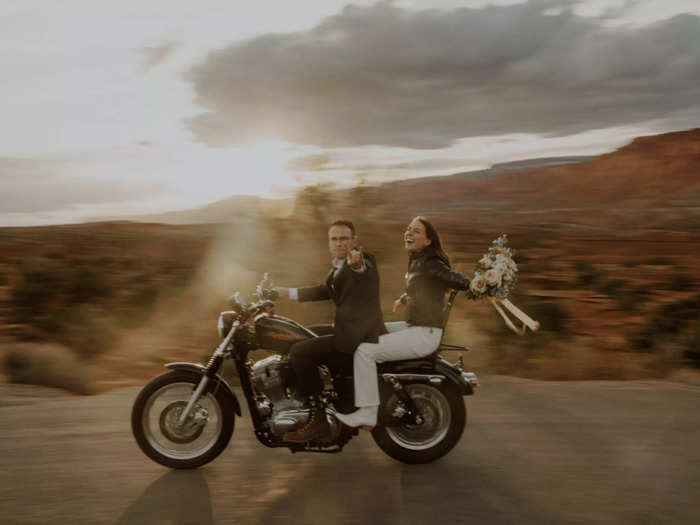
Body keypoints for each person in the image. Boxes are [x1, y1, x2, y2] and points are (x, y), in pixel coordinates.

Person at [334, 216, 470, 428]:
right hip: (415, 326)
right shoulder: (418, 259)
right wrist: (404, 299)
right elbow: (420, 287)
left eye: (416, 231)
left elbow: (452, 278)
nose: (409, 233)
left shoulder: (432, 262)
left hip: (424, 334)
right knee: (367, 331)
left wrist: (478, 283)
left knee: (364, 351)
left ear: (428, 241)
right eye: (408, 229)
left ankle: (367, 412)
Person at [274, 220, 386, 442]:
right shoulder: (338, 267)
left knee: (300, 352)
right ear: (329, 243)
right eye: (334, 239)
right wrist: (285, 292)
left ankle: (318, 421)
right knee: (304, 333)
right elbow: (325, 290)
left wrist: (358, 266)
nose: (339, 243)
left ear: (354, 241)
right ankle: (308, 395)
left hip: (358, 337)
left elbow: (364, 272)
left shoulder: (364, 261)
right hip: (349, 330)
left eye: (344, 238)